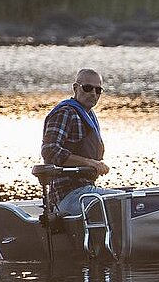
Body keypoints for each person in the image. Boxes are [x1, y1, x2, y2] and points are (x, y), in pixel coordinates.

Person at [41, 68, 119, 214]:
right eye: (88, 88)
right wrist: (90, 162)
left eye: (98, 90)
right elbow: (49, 151)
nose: (93, 93)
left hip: (86, 191)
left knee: (127, 196)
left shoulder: (88, 116)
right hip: (68, 197)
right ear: (76, 88)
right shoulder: (65, 112)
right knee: (124, 203)